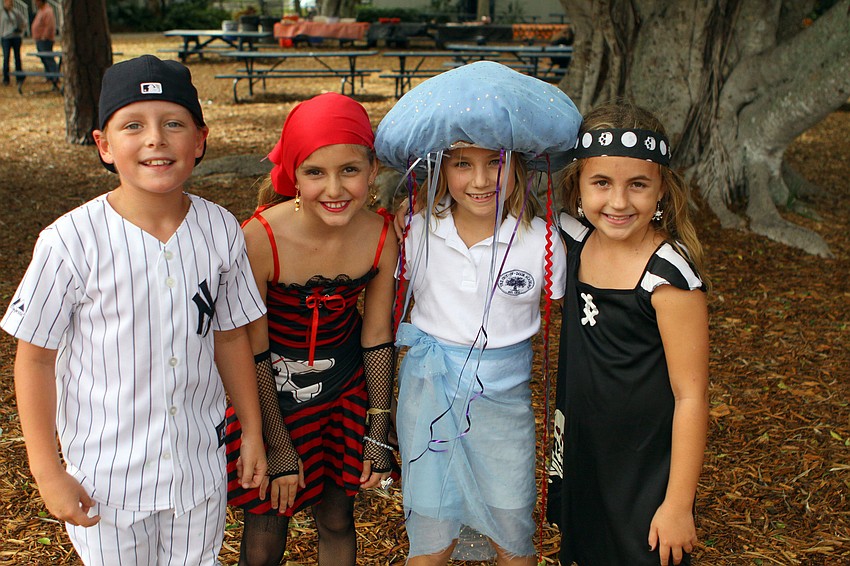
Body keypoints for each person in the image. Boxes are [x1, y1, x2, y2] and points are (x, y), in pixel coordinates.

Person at [0, 55, 268, 565]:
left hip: (198, 469)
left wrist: (251, 431)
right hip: (107, 477)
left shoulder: (220, 230)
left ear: (200, 139)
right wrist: (46, 469)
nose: (155, 139)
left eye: (173, 123)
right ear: (103, 144)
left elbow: (230, 335)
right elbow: (34, 359)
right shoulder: (69, 242)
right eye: (133, 125)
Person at [374, 61, 582, 565]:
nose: (481, 180)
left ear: (521, 166)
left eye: (496, 162)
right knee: (430, 532)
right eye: (463, 164)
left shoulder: (543, 240)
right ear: (439, 168)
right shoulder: (416, 230)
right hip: (428, 395)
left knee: (513, 531)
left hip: (505, 408)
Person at [225, 92, 398, 566]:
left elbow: (377, 335)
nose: (335, 189)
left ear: (372, 168)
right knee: (266, 525)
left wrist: (378, 431)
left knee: (338, 519)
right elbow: (251, 347)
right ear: (293, 175)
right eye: (315, 172)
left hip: (344, 393)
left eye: (350, 170)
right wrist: (278, 446)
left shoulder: (382, 235)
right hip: (270, 395)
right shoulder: (259, 238)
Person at [547, 101, 710, 566]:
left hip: (644, 471)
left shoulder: (669, 275)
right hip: (584, 450)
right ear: (576, 185)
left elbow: (691, 396)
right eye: (601, 183)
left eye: (638, 184)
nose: (618, 202)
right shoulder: (572, 239)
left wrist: (678, 504)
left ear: (662, 188)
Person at [31, 0, 59, 78]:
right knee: (44, 59)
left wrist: (44, 36)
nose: (35, 3)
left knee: (48, 58)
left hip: (45, 40)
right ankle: (49, 76)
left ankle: (55, 76)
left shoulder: (47, 11)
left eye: (36, 1)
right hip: (39, 39)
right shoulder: (41, 11)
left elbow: (49, 26)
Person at [1, 0, 25, 86]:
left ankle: (19, 76)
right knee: (6, 57)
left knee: (17, 57)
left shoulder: (16, 12)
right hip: (6, 37)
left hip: (15, 37)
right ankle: (6, 77)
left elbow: (23, 21)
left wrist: (20, 30)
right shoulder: (2, 13)